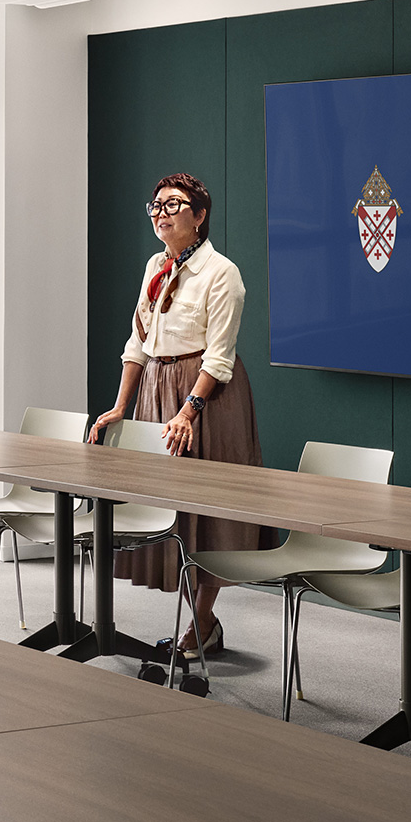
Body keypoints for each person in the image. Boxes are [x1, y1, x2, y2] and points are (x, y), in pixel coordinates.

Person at [89, 173, 274, 657]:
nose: (162, 213)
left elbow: (220, 356)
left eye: (174, 204)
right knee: (168, 511)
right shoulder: (156, 265)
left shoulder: (222, 273)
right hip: (157, 391)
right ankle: (205, 623)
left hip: (207, 399)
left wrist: (189, 410)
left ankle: (201, 622)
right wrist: (121, 405)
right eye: (156, 205)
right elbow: (139, 344)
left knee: (207, 513)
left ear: (200, 214)